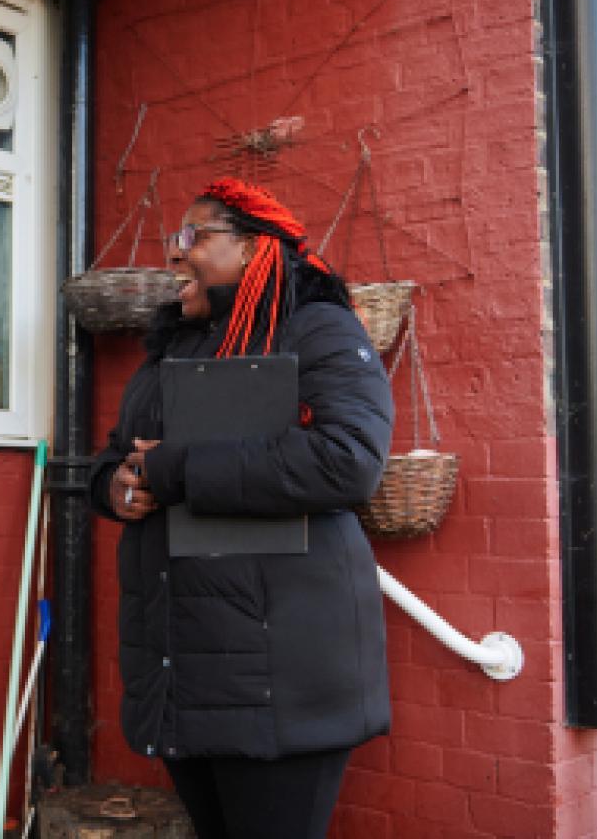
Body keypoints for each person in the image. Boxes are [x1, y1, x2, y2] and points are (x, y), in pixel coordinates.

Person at [88, 177, 393, 839]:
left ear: (255, 250)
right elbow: (120, 455)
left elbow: (348, 458)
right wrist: (115, 485)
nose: (176, 255)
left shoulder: (319, 329)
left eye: (193, 237)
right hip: (184, 671)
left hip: (278, 679)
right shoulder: (171, 348)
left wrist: (174, 470)